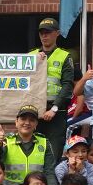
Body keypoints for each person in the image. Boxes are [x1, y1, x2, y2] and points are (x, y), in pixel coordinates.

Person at [30, 17, 74, 165]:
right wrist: (34, 63)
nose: (44, 36)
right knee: (33, 154)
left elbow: (68, 86)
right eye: (41, 32)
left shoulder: (64, 56)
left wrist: (54, 108)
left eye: (48, 32)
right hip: (34, 111)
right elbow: (21, 81)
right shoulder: (31, 56)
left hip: (56, 112)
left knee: (53, 156)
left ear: (57, 33)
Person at [0, 105, 57, 185]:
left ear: (36, 124)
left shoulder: (44, 143)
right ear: (16, 122)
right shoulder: (6, 141)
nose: (27, 123)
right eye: (23, 119)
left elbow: (49, 170)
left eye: (31, 120)